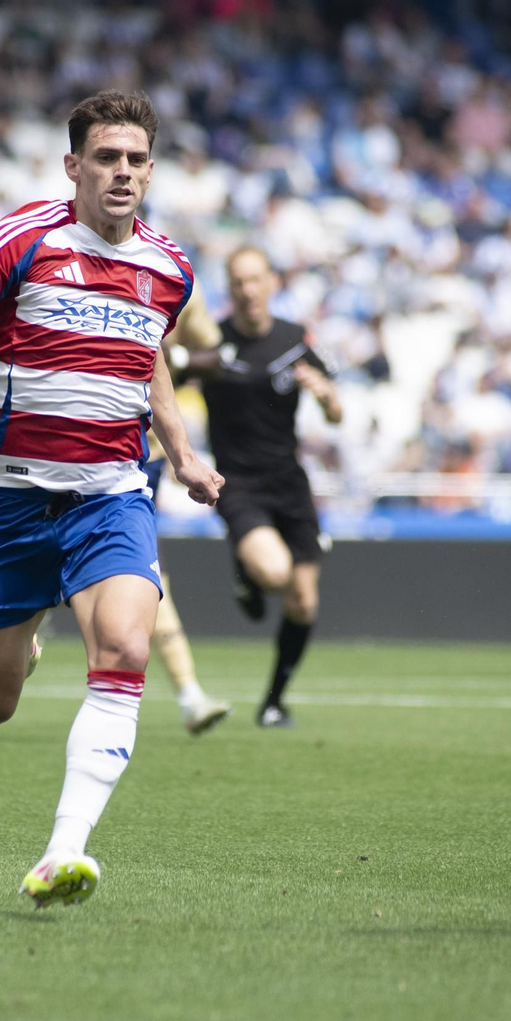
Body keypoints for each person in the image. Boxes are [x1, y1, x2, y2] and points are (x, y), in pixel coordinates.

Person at [0, 90, 224, 909]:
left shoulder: (169, 270)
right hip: (6, 500)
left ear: (152, 170)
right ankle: (25, 638)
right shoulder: (24, 238)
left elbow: (150, 358)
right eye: (106, 158)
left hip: (110, 494)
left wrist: (181, 453)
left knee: (122, 649)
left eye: (136, 159)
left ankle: (63, 851)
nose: (122, 173)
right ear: (73, 165)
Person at [182, 246, 342, 729]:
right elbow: (161, 378)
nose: (248, 290)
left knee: (304, 601)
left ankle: (273, 703)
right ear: (228, 289)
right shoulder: (213, 344)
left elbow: (338, 413)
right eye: (237, 282)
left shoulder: (296, 339)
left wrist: (327, 396)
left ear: (272, 281)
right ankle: (247, 573)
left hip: (289, 482)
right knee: (276, 575)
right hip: (237, 483)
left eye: (255, 280)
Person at [151, 288, 233, 735]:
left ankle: (189, 694)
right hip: (73, 443)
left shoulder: (177, 279)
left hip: (141, 452)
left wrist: (173, 359)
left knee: (148, 574)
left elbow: (217, 355)